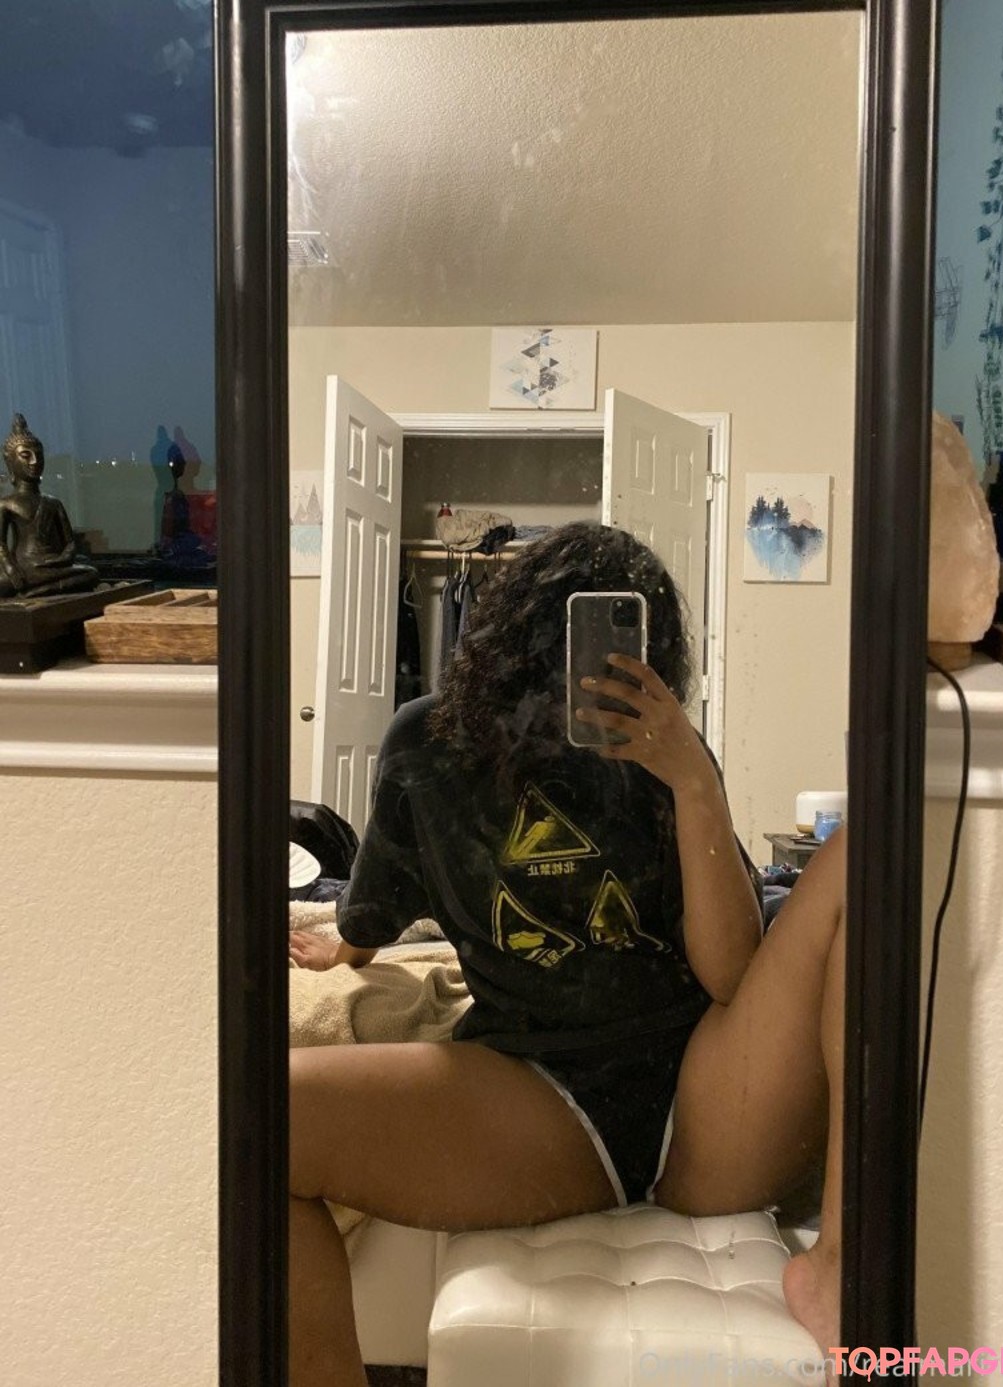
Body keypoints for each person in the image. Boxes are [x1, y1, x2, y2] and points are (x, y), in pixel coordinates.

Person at [288, 522, 844, 1386]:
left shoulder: (661, 751)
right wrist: (345, 947)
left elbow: (734, 974)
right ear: (513, 644)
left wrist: (694, 779)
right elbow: (380, 894)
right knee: (264, 1112)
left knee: (857, 857)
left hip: (707, 1095)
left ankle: (840, 1260)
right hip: (537, 1095)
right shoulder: (427, 746)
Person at [0, 413, 98, 598]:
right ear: (11, 462)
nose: (34, 461)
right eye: (25, 456)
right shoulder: (6, 504)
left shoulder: (53, 503)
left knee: (90, 573)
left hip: (52, 565)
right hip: (23, 567)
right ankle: (33, 589)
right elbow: (1, 545)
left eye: (38, 455)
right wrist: (12, 570)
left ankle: (34, 592)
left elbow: (69, 543)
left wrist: (64, 558)